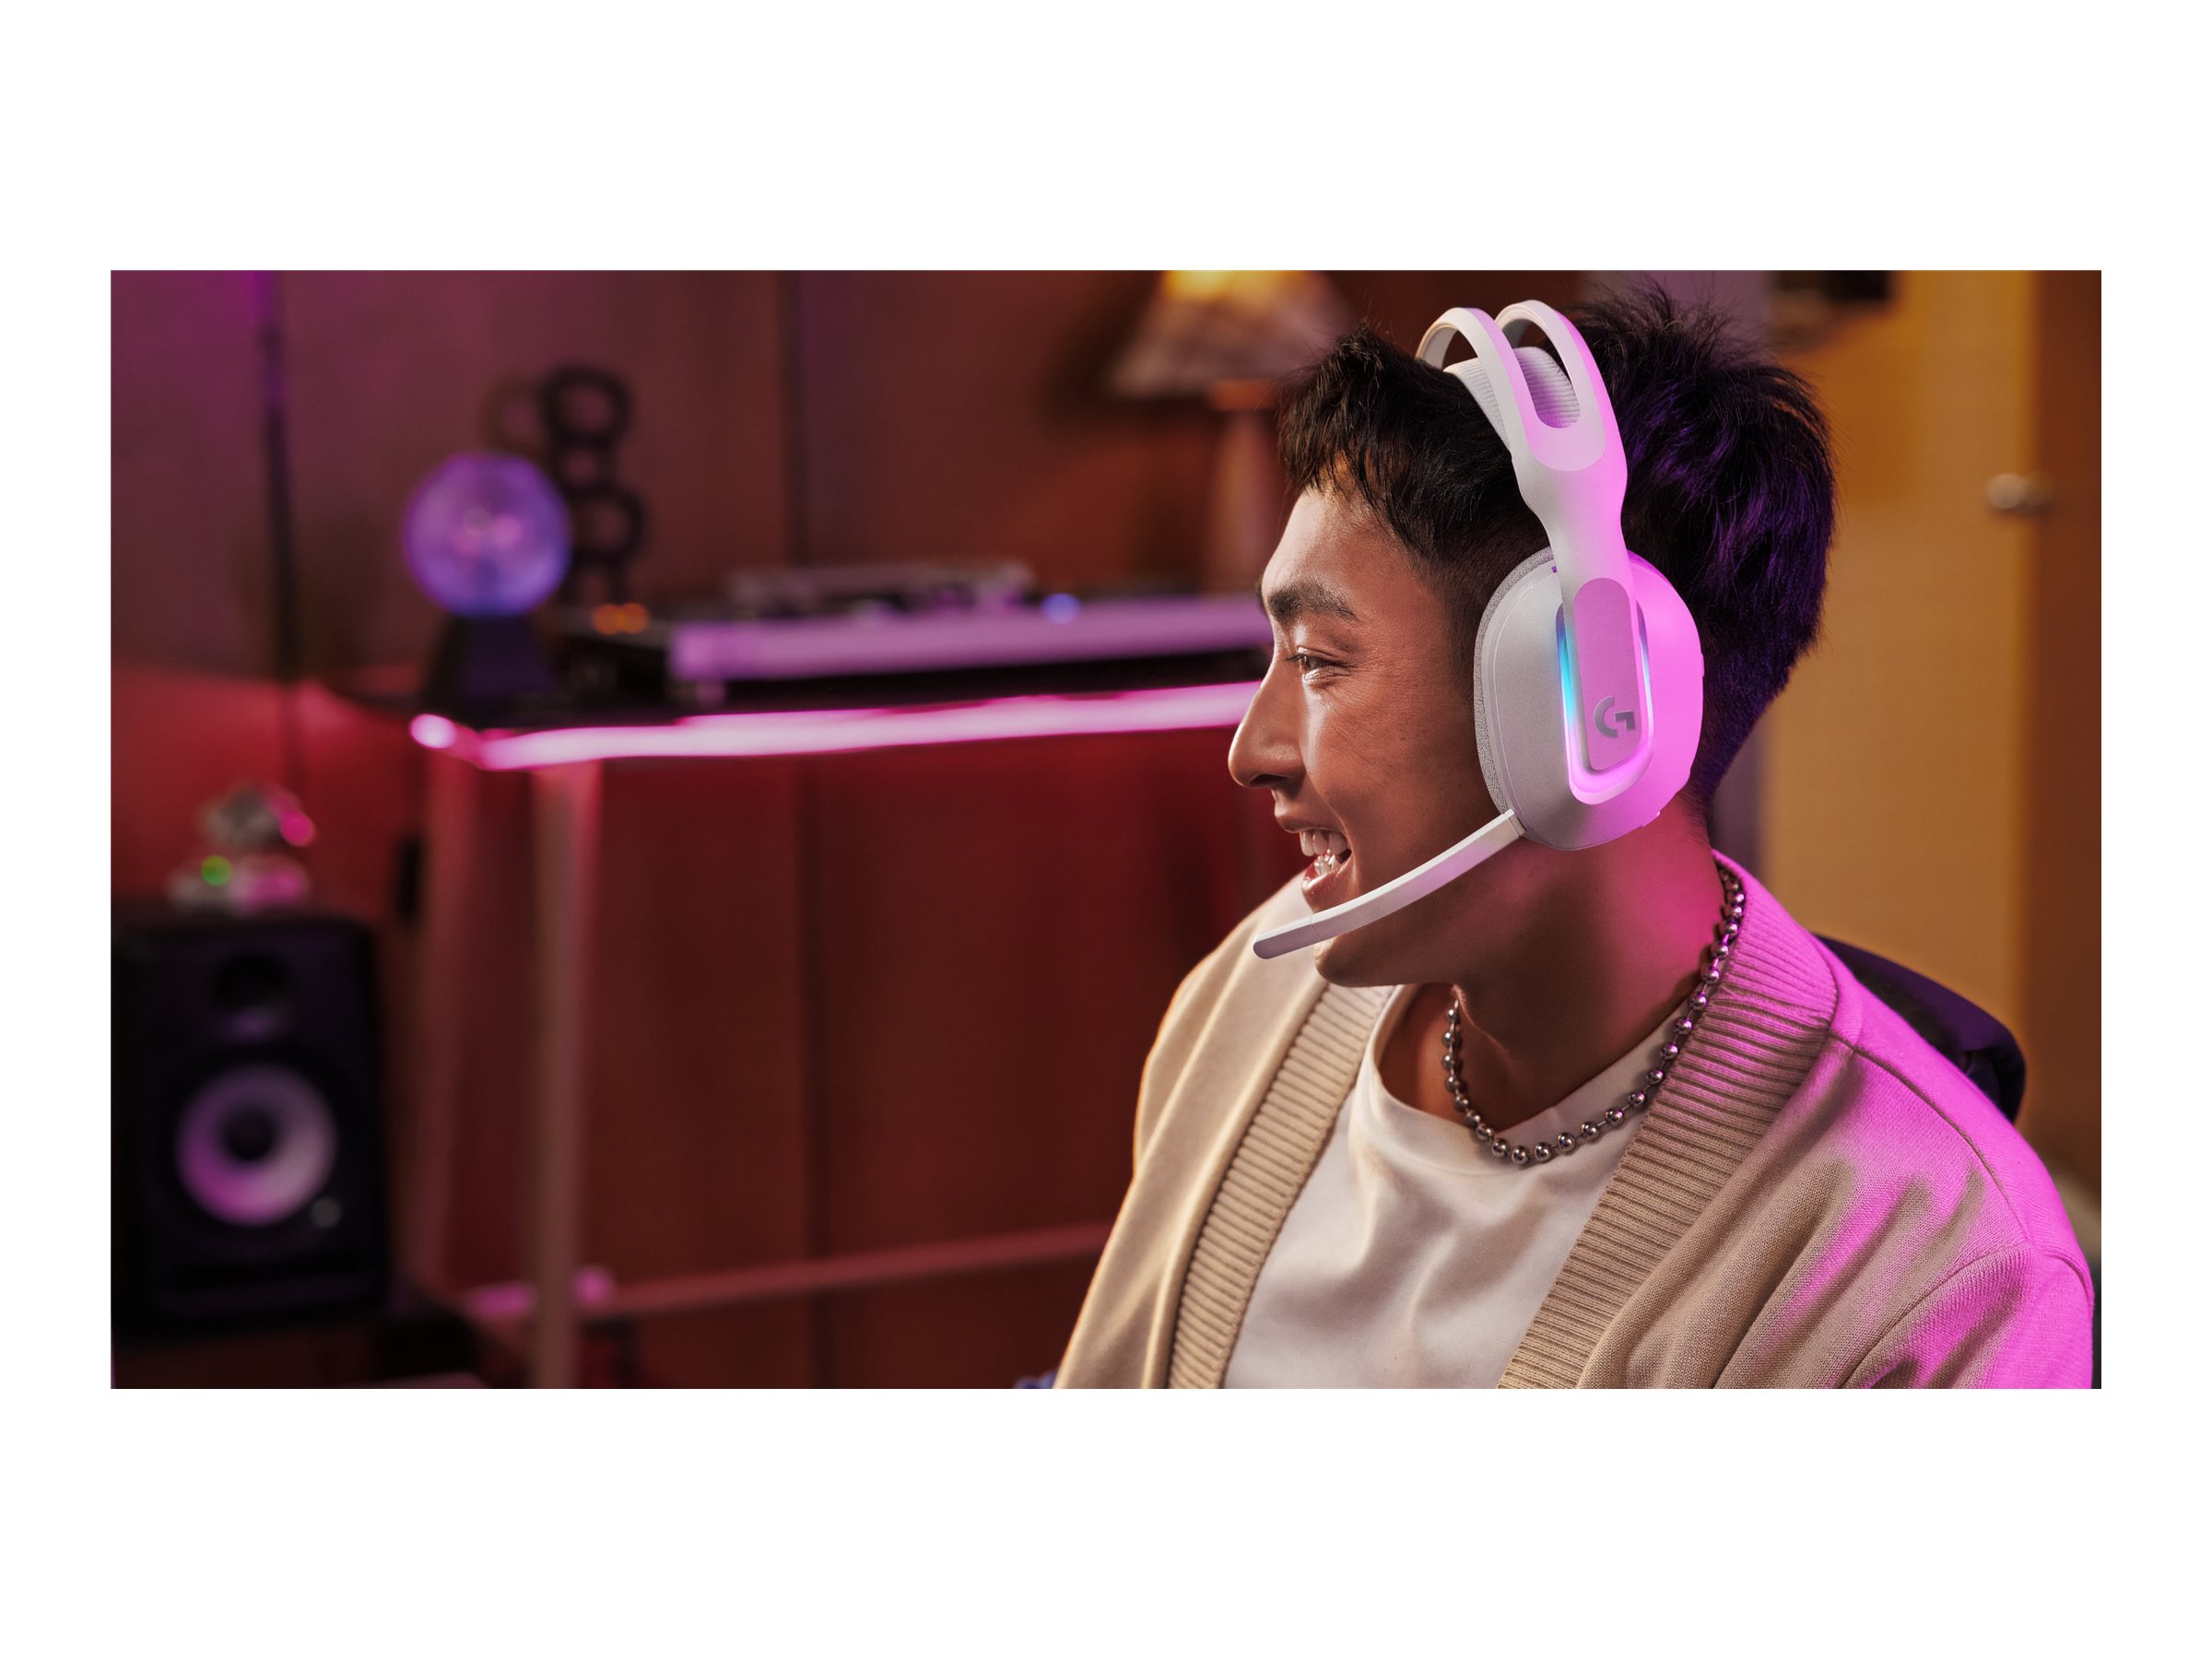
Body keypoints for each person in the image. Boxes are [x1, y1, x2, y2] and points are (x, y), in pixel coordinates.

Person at [1054, 284, 2092, 1388]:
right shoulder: (1260, 998)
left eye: (1319, 661)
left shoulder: (1939, 1277)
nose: (1252, 750)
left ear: (1589, 710)